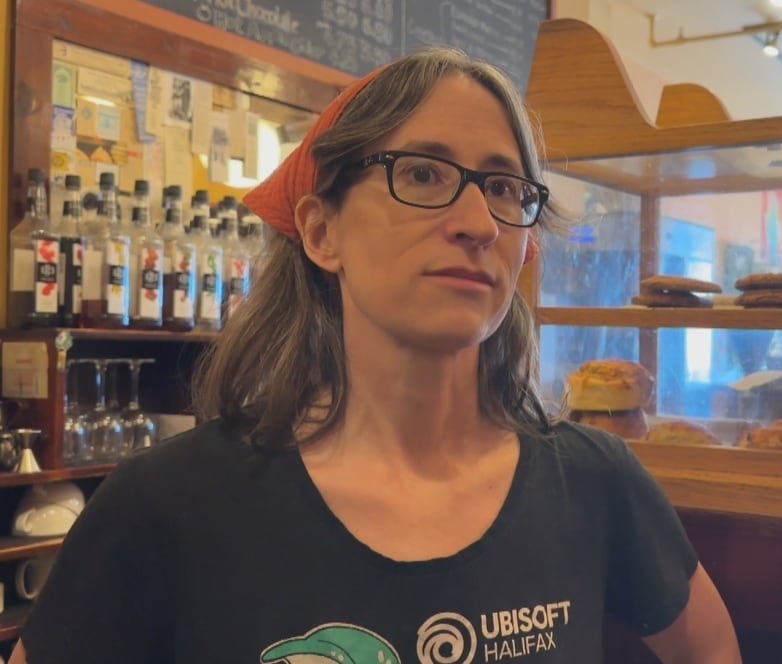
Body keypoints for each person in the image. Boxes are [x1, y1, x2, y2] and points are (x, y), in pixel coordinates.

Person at [13, 48, 740, 663]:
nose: (478, 222)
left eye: (504, 188)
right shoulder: (167, 504)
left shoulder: (595, 480)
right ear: (322, 231)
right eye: (423, 173)